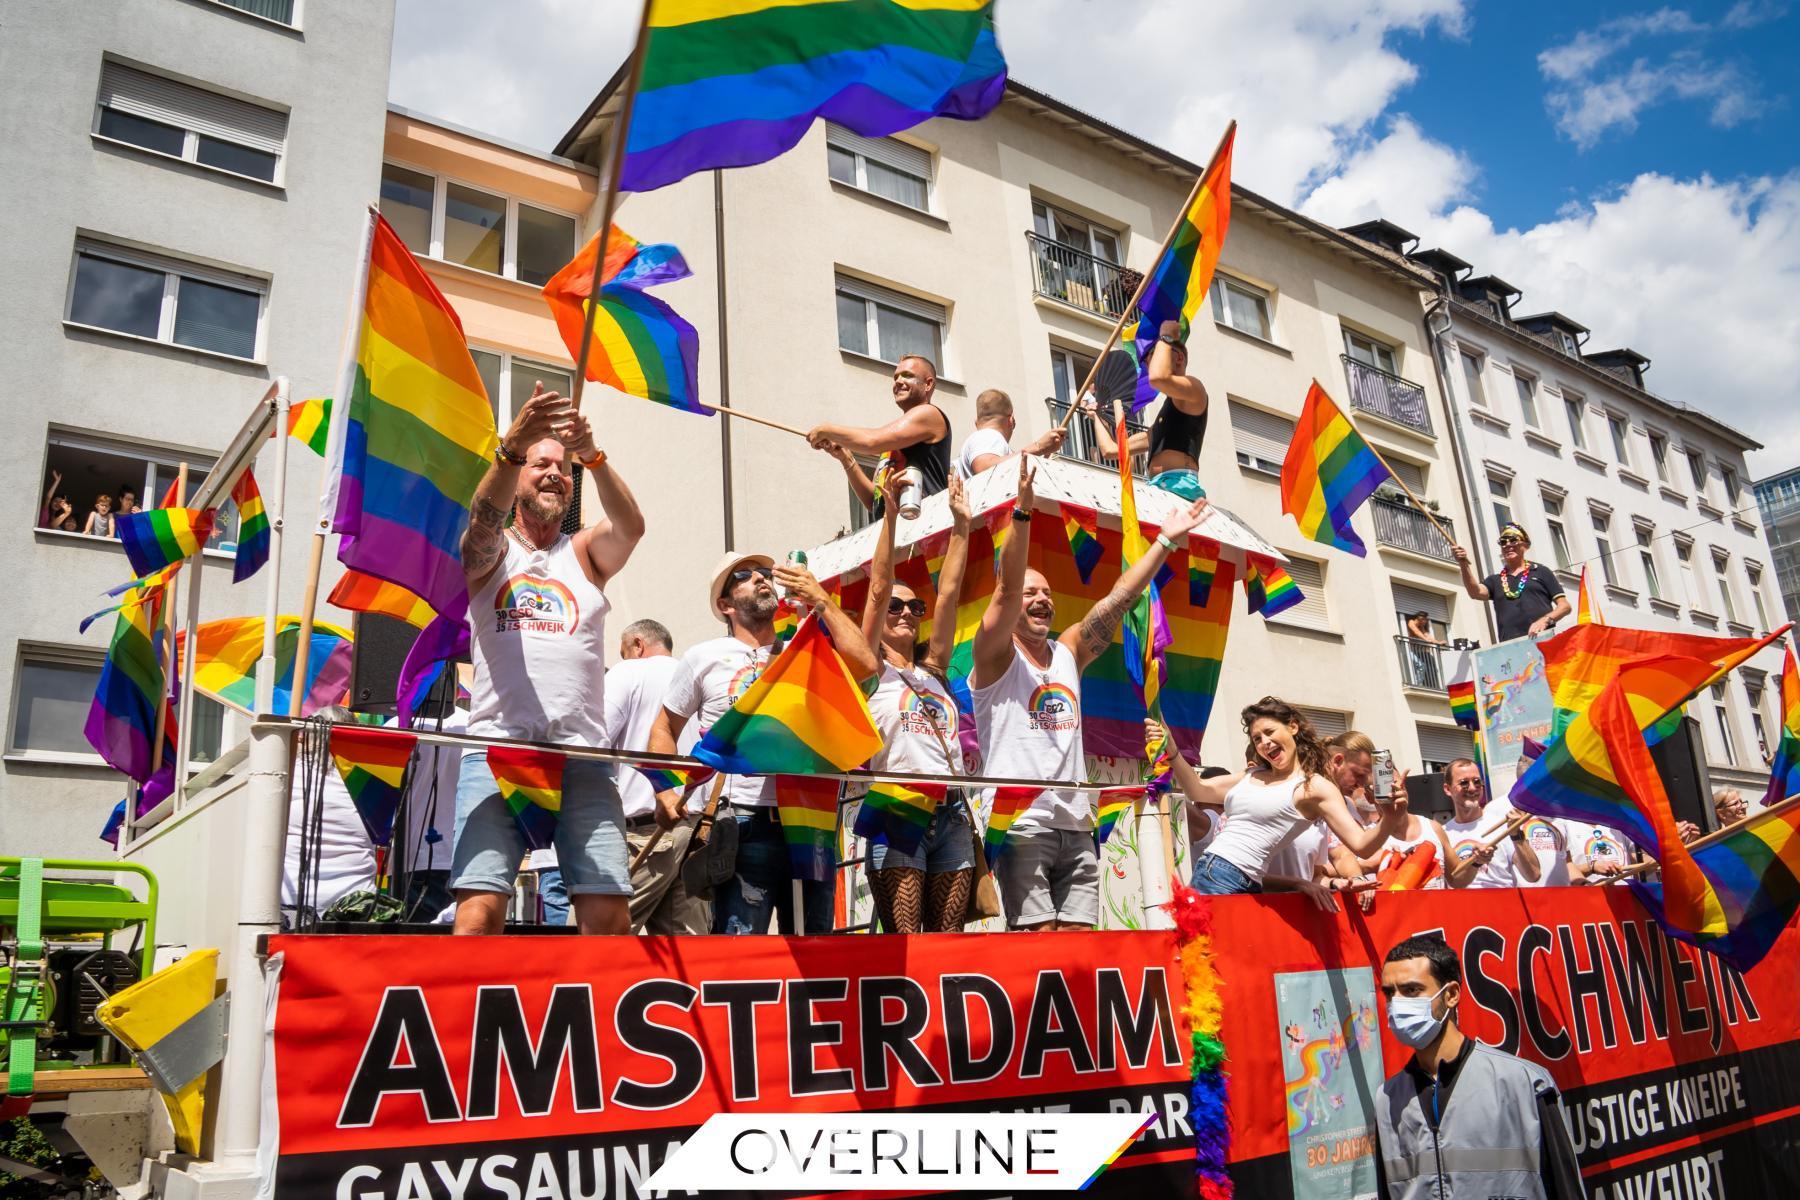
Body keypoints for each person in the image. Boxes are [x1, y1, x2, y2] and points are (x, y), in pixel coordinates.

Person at [970, 455, 1208, 929]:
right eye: (1030, 593)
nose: (1041, 600)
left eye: (1047, 594)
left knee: (1081, 943)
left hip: (1078, 824)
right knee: (1038, 943)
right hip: (1023, 824)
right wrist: (1022, 513)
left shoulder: (1068, 652)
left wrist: (1164, 540)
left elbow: (1119, 598)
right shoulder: (996, 654)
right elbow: (1004, 591)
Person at [450, 384, 645, 936]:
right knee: (478, 914)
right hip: (496, 750)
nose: (555, 473)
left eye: (563, 467)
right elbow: (480, 528)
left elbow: (631, 527)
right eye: (541, 464)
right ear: (517, 477)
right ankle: (470, 1019)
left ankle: (599, 1020)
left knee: (608, 916)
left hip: (582, 757)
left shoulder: (584, 554)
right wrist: (511, 447)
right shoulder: (492, 554)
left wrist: (595, 456)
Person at [649, 553, 879, 935]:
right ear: (725, 605)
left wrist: (820, 598)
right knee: (742, 950)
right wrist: (664, 789)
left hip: (809, 817)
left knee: (814, 948)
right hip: (742, 819)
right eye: (744, 575)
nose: (760, 578)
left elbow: (866, 666)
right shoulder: (703, 657)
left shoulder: (804, 650)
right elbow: (663, 728)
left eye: (764, 573)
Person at [1374, 934, 1585, 1200]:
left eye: (1412, 990)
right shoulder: (1387, 1098)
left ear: (1450, 995)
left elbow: (1566, 1188)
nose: (1397, 1004)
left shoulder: (1524, 1083)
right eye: (1389, 993)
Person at [859, 470, 976, 932]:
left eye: (914, 608)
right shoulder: (870, 669)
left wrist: (962, 527)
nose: (906, 612)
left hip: (951, 809)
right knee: (907, 945)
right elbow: (877, 586)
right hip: (897, 801)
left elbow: (948, 595)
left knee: (948, 945)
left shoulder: (933, 671)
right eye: (896, 606)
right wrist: (889, 518)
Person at [1175, 699, 1410, 897]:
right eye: (1257, 739)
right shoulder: (1252, 774)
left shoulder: (1314, 786)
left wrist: (1389, 818)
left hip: (1231, 878)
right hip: (1211, 871)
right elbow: (1197, 789)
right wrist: (1168, 743)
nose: (1264, 742)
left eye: (1269, 732)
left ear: (1293, 727)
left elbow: (1361, 846)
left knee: (1209, 950)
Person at [606, 618, 708, 935]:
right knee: (685, 950)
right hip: (695, 829)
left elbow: (596, 736)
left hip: (645, 830)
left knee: (595, 937)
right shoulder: (697, 677)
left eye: (625, 651)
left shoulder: (629, 671)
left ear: (638, 644)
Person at [1078, 321, 1210, 500]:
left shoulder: (1195, 390)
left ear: (1178, 358)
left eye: (1153, 356)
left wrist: (1166, 335)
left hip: (1180, 487)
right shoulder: (1161, 426)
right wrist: (1096, 417)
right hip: (1156, 487)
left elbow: (1159, 378)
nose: (1149, 366)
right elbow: (1111, 450)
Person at [809, 354, 952, 514]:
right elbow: (875, 503)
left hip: (926, 529)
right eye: (896, 377)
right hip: (894, 532)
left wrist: (826, 430)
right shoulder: (894, 443)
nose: (898, 381)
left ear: (928, 384)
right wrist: (846, 458)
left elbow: (872, 442)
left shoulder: (929, 414)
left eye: (907, 375)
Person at [1324, 734, 1449, 900]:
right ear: (1338, 761)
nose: (1360, 784)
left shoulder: (1347, 805)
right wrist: (1367, 866)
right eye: (1358, 774)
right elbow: (1313, 867)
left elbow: (1343, 854)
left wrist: (1359, 878)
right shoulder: (1310, 793)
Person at [282, 705, 378, 919]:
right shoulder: (369, 782)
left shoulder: (286, 773)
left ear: (307, 736)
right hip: (357, 903)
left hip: (293, 901)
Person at [1453, 524, 1570, 642]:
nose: (1508, 545)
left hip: (1543, 640)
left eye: (1513, 540)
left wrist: (1545, 620)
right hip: (1510, 647)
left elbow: (1564, 606)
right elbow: (1475, 592)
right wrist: (1463, 563)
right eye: (1503, 542)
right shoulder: (1495, 580)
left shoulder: (1540, 571)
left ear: (1525, 545)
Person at [1439, 759, 1541, 888]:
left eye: (1477, 782)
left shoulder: (1501, 825)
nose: (1472, 788)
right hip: (1462, 906)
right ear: (1447, 789)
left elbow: (1533, 875)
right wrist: (1475, 861)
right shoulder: (1442, 833)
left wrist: (1516, 834)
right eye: (1464, 783)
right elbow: (1451, 881)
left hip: (1502, 904)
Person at [956, 389, 1065, 480]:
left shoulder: (979, 439)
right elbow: (985, 468)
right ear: (1011, 420)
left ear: (977, 423)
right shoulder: (988, 435)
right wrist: (1038, 447)